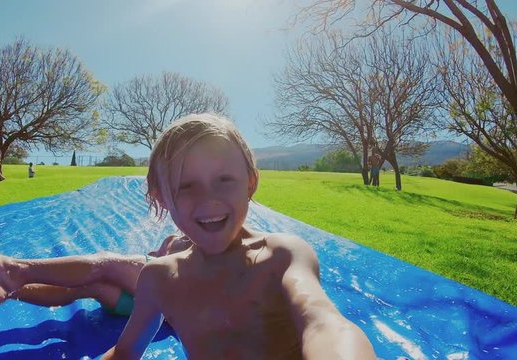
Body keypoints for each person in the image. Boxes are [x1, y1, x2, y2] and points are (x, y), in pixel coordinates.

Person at [101, 114, 375, 359]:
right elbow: (125, 353)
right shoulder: (159, 278)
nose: (208, 199)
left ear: (250, 183)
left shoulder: (280, 256)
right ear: (161, 198)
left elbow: (322, 321)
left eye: (224, 180)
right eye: (186, 186)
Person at [0, 234, 190, 315]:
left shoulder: (210, 245)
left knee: (107, 262)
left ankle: (16, 271)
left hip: (168, 295)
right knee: (86, 286)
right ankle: (8, 291)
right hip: (143, 306)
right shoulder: (180, 236)